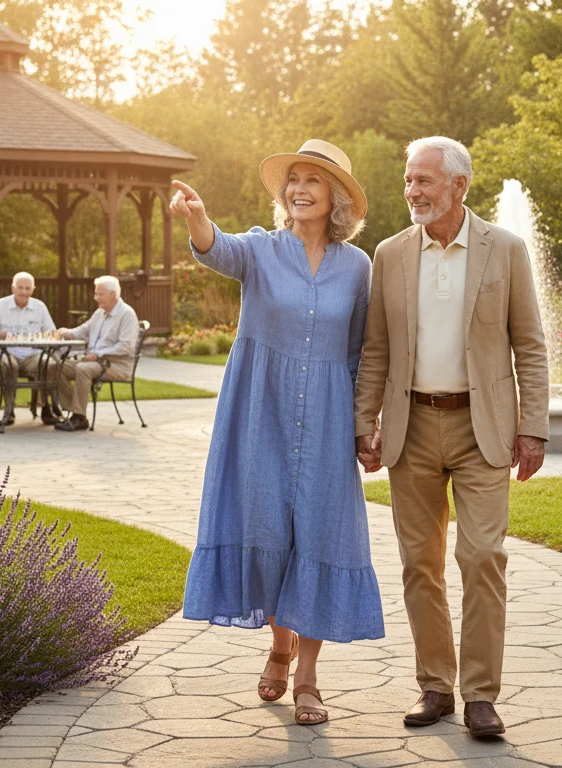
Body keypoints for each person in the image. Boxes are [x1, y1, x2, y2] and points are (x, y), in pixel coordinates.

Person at [171, 139, 384, 727]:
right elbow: (218, 251)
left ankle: (309, 678)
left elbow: (364, 350)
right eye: (293, 180)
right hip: (259, 412)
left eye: (312, 180)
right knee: (267, 529)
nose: (299, 189)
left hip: (329, 416)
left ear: (336, 196)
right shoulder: (260, 251)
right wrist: (197, 218)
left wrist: (367, 424)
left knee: (320, 533)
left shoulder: (357, 266)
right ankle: (278, 647)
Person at [354, 136, 550, 739]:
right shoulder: (389, 254)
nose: (412, 191)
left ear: (459, 186)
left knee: (483, 556)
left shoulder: (506, 249)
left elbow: (531, 345)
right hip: (410, 427)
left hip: (481, 428)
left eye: (424, 181)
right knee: (420, 562)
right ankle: (435, 686)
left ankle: (482, 696)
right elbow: (377, 349)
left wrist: (533, 429)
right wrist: (365, 421)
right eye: (409, 180)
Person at [47, 276, 138, 432]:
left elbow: (126, 346)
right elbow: (82, 331)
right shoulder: (99, 313)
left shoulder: (127, 314)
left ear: (113, 294)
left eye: (100, 294)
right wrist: (65, 332)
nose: (96, 298)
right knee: (54, 367)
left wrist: (98, 355)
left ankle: (79, 417)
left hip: (117, 365)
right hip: (94, 363)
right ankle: (72, 409)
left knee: (83, 369)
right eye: (96, 294)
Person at [0, 272, 56, 426]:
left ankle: (47, 407)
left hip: (32, 354)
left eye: (27, 288)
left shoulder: (39, 307)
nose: (23, 292)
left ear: (33, 289)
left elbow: (51, 333)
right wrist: (2, 334)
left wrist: (43, 336)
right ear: (13, 288)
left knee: (51, 364)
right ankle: (9, 409)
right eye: (20, 288)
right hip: (7, 353)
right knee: (10, 365)